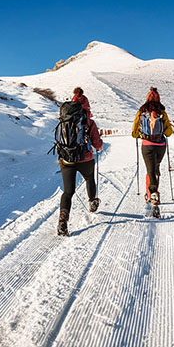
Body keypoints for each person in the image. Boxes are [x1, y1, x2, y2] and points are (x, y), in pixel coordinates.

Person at [53, 87, 103, 237]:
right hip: (85, 158)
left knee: (68, 192)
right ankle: (93, 202)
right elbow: (97, 143)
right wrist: (99, 147)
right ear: (86, 106)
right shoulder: (89, 121)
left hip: (66, 158)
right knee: (89, 178)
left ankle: (63, 220)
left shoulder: (64, 119)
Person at [131, 87, 174, 215]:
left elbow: (134, 133)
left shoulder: (141, 112)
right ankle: (152, 193)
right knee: (155, 169)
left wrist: (142, 135)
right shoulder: (162, 112)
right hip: (160, 145)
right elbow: (169, 132)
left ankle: (153, 196)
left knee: (150, 170)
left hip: (147, 145)